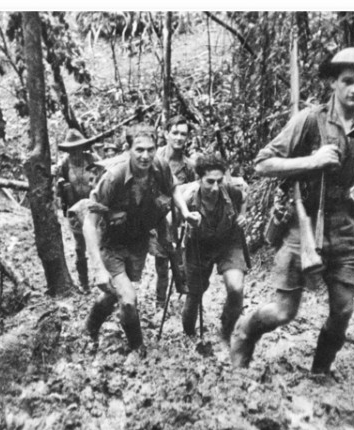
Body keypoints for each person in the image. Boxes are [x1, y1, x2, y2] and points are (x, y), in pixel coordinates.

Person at [230, 47, 354, 374]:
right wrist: (312, 161)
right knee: (283, 312)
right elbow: (263, 163)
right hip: (305, 224)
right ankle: (244, 333)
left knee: (343, 311)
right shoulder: (310, 120)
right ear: (333, 83)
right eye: (347, 81)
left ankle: (320, 372)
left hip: (348, 226)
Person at [81, 125, 176, 358]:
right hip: (111, 243)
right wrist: (98, 269)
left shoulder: (160, 169)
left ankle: (90, 327)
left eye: (150, 150)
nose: (145, 156)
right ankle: (137, 348)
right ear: (128, 150)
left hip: (137, 243)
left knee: (114, 294)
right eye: (139, 150)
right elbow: (89, 222)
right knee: (129, 300)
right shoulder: (113, 178)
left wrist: (170, 236)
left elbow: (172, 195)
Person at [173, 154, 248, 344]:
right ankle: (189, 335)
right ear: (199, 179)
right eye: (209, 182)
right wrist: (186, 220)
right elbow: (171, 220)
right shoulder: (189, 197)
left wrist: (242, 215)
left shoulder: (230, 189)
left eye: (219, 181)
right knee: (194, 294)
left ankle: (226, 329)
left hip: (228, 242)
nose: (215, 187)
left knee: (236, 288)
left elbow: (244, 198)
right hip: (199, 245)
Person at [150, 116, 196, 308]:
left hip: (179, 221)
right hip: (156, 218)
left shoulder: (189, 166)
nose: (178, 138)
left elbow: (194, 192)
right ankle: (160, 303)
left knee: (181, 259)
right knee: (161, 262)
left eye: (183, 134)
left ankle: (185, 296)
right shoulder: (153, 158)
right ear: (166, 133)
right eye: (175, 133)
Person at [52, 129, 100, 289]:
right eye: (72, 149)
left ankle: (103, 280)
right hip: (74, 211)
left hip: (93, 209)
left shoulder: (92, 160)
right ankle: (84, 282)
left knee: (100, 245)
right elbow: (58, 194)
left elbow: (104, 179)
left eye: (78, 148)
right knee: (80, 248)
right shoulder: (64, 165)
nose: (75, 152)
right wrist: (61, 185)